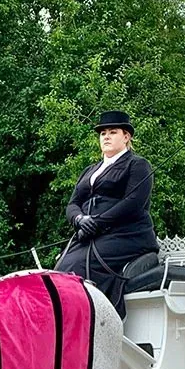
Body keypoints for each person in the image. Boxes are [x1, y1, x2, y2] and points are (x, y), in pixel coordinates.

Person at [56, 110, 159, 318]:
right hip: (91, 234)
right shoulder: (90, 170)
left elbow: (133, 203)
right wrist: (79, 219)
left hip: (127, 235)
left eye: (113, 132)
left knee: (78, 265)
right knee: (61, 267)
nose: (106, 137)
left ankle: (97, 318)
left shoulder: (137, 165)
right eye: (103, 133)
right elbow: (73, 203)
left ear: (126, 136)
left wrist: (98, 223)